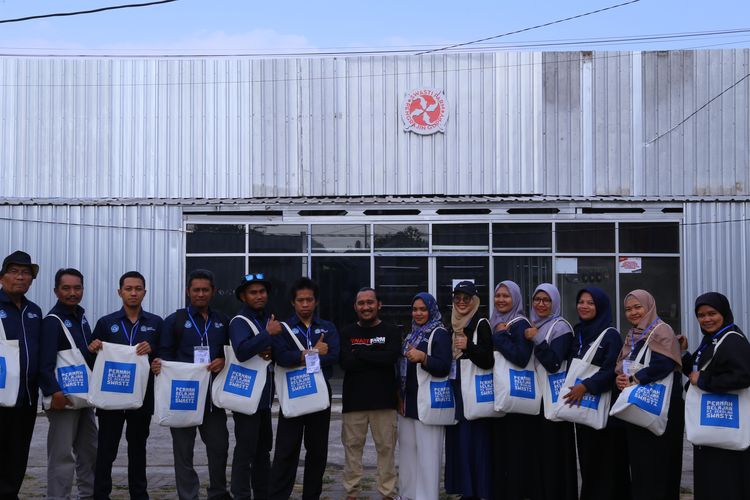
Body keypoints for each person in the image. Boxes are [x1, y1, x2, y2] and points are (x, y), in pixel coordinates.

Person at [153, 269, 231, 500]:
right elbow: (164, 355)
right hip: (183, 397)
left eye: (205, 290)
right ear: (188, 292)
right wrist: (159, 364)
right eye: (195, 290)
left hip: (212, 399)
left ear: (213, 292)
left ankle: (218, 492)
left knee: (219, 448)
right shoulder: (174, 321)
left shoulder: (222, 321)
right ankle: (188, 495)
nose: (200, 294)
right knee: (183, 452)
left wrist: (224, 361)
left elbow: (232, 355)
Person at [89, 271, 162, 500]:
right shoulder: (106, 322)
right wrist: (93, 348)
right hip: (111, 398)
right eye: (128, 288)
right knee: (106, 450)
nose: (133, 293)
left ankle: (139, 495)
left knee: (138, 449)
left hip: (142, 398)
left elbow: (163, 358)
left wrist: (154, 354)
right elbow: (92, 359)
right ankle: (101, 495)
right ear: (119, 292)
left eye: (138, 288)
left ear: (144, 292)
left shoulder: (156, 324)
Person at [269, 277, 340, 500]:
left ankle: (312, 496)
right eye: (301, 300)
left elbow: (335, 356)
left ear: (316, 302)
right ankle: (279, 495)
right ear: (293, 302)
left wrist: (303, 357)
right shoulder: (284, 328)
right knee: (285, 450)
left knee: (317, 451)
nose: (305, 304)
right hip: (294, 392)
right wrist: (314, 352)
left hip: (319, 393)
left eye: (309, 300)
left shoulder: (327, 328)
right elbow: (281, 357)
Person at [614, 289, 684, 500]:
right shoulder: (633, 333)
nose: (633, 312)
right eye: (628, 309)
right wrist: (620, 377)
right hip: (638, 406)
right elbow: (624, 364)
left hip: (660, 406)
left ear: (649, 306)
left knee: (659, 462)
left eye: (638, 307)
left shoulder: (662, 331)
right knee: (641, 463)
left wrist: (635, 379)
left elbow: (664, 364)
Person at [680, 292, 750, 500]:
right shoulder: (712, 340)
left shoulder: (732, 341)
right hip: (714, 429)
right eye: (701, 315)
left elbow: (743, 376)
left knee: (725, 483)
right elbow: (695, 372)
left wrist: (703, 381)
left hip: (725, 430)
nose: (706, 319)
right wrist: (684, 353)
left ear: (725, 313)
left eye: (712, 313)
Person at [562, 287, 629, 500]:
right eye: (581, 301)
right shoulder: (579, 331)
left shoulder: (611, 335)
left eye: (590, 302)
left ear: (600, 306)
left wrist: (587, 386)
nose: (584, 306)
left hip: (606, 414)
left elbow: (613, 369)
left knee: (607, 465)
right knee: (588, 463)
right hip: (583, 410)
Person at [39, 268, 98, 500]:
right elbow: (44, 363)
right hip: (63, 399)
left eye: (77, 288)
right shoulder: (52, 322)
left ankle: (88, 495)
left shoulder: (81, 318)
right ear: (56, 291)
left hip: (83, 398)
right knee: (62, 455)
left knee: (89, 451)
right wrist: (54, 392)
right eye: (66, 288)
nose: (72, 293)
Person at [339, 287, 401, 500]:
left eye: (370, 302)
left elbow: (391, 358)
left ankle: (387, 494)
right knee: (352, 452)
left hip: (384, 402)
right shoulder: (347, 332)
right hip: (353, 403)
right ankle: (352, 493)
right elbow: (346, 363)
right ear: (355, 307)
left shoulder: (392, 331)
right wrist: (376, 356)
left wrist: (361, 353)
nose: (366, 307)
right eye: (361, 303)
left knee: (386, 451)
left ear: (379, 305)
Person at [228, 272, 281, 500]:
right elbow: (241, 352)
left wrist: (270, 347)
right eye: (253, 292)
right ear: (243, 296)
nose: (259, 296)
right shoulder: (239, 322)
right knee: (245, 451)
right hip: (247, 398)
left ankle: (262, 493)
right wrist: (266, 335)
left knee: (262, 451)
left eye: (262, 292)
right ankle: (240, 495)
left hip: (264, 399)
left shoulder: (267, 319)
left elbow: (275, 350)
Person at [524, 283, 577, 500]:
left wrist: (536, 339)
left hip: (552, 400)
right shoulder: (531, 324)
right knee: (538, 452)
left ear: (555, 302)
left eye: (546, 300)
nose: (541, 304)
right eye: (537, 299)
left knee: (555, 452)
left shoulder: (561, 328)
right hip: (536, 397)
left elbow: (554, 363)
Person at [398, 292, 451, 500]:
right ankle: (407, 494)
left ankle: (427, 496)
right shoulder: (412, 334)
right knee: (407, 454)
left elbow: (444, 366)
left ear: (431, 310)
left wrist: (423, 358)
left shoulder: (439, 334)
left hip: (428, 402)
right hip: (409, 402)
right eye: (415, 309)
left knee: (428, 456)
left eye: (423, 309)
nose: (418, 313)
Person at [444, 281, 494, 500]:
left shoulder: (481, 323)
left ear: (475, 301)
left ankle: (478, 491)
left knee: (475, 442)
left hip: (473, 391)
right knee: (459, 442)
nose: (462, 302)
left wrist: (469, 347)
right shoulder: (450, 322)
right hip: (456, 388)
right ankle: (465, 490)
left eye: (467, 298)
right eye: (458, 298)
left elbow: (487, 360)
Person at [0, 250, 42, 497]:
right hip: (1, 398)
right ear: (3, 277)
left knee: (18, 455)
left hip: (26, 399)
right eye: (14, 272)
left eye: (25, 273)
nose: (20, 277)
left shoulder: (34, 311)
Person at [490, 280, 537, 500]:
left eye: (506, 296)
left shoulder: (519, 324)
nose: (500, 300)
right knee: (503, 452)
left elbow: (521, 357)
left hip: (516, 400)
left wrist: (499, 336)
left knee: (516, 451)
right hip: (502, 397)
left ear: (516, 299)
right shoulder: (496, 321)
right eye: (498, 295)